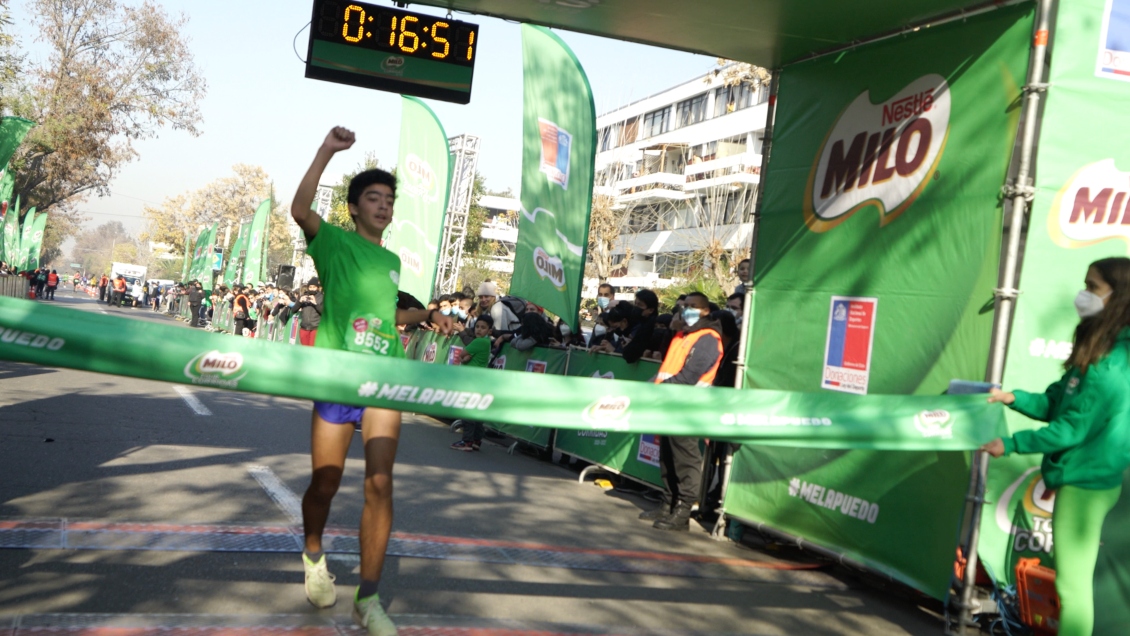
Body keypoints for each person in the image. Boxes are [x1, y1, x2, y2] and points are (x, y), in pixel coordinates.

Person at [290, 126, 453, 636]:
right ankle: (314, 554)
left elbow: (384, 317)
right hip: (339, 377)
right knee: (326, 482)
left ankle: (368, 597)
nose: (383, 206)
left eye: (389, 199)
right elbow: (299, 209)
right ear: (354, 208)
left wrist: (427, 315)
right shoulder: (334, 243)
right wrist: (325, 152)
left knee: (380, 483)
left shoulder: (390, 260)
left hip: (382, 380)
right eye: (373, 199)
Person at [981, 257, 1130, 636]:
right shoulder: (1104, 350)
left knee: (1072, 589)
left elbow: (1069, 431)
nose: (1084, 295)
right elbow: (1058, 401)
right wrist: (1014, 398)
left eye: (1093, 287)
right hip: (1093, 479)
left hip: (1086, 484)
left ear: (1119, 296)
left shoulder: (1110, 364)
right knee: (1075, 584)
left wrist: (1010, 444)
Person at [639, 291, 723, 531]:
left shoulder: (707, 338)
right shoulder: (684, 334)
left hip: (688, 408)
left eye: (693, 306)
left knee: (685, 461)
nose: (686, 309)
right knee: (667, 458)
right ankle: (667, 504)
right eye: (685, 305)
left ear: (706, 311)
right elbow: (669, 369)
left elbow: (688, 377)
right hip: (670, 405)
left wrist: (658, 390)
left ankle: (683, 512)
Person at [450, 315, 494, 451]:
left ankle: (467, 441)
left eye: (483, 328)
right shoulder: (485, 342)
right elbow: (465, 355)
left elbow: (462, 354)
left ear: (489, 331)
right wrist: (466, 357)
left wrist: (464, 358)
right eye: (477, 327)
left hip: (472, 381)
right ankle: (476, 440)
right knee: (477, 413)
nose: (479, 330)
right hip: (480, 381)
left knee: (468, 412)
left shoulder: (479, 342)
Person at [297, 278, 323, 346]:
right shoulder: (304, 296)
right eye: (310, 287)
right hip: (304, 327)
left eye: (314, 287)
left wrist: (315, 303)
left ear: (317, 287)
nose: (312, 289)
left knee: (311, 349)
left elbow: (323, 312)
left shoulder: (321, 297)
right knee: (304, 349)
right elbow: (293, 310)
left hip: (315, 327)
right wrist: (299, 302)